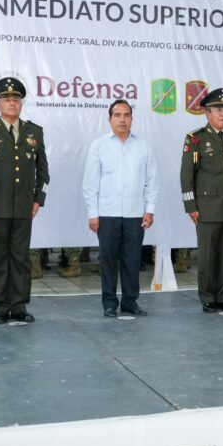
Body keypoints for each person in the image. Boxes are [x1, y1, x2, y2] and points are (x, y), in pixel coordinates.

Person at [0, 77, 49, 324]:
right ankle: (0, 308)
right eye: (6, 99)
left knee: (20, 257)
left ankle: (19, 306)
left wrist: (39, 199)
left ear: (21, 104)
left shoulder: (34, 132)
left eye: (16, 99)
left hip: (24, 206)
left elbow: (43, 171)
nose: (12, 103)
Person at [82, 99, 159, 317]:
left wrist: (150, 209)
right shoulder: (99, 146)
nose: (122, 119)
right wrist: (92, 214)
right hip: (107, 214)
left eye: (126, 115)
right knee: (108, 260)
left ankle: (130, 302)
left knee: (132, 260)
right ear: (109, 119)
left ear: (132, 119)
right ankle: (109, 302)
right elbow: (90, 183)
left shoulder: (143, 146)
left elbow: (151, 182)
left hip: (136, 214)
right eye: (117, 115)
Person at [180, 88, 223, 313]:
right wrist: (191, 206)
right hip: (207, 208)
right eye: (218, 110)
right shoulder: (196, 138)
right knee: (208, 257)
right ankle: (208, 298)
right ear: (207, 113)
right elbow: (187, 175)